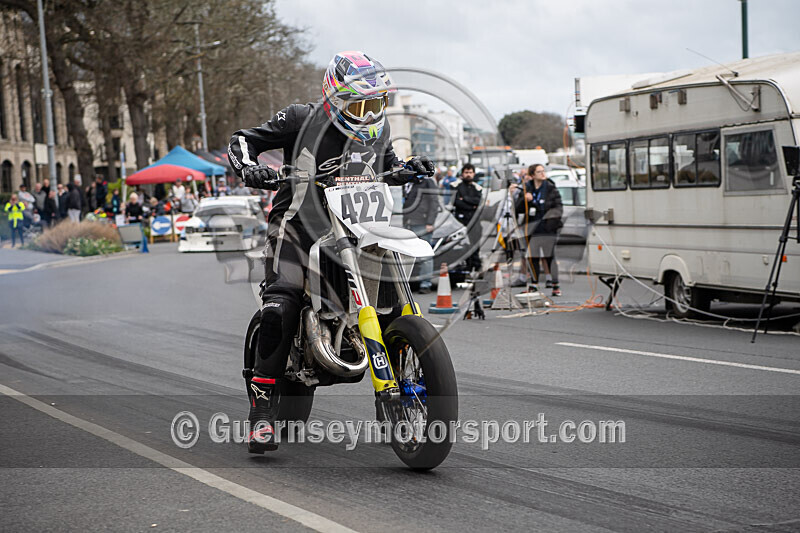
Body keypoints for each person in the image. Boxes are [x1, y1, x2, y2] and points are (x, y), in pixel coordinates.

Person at [227, 50, 434, 453]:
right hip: (298, 225)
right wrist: (249, 168)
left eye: (377, 102)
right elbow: (243, 140)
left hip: (358, 228)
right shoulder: (301, 119)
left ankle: (394, 403)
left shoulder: (381, 128)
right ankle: (263, 410)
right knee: (282, 301)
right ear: (335, 98)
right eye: (361, 103)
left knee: (389, 300)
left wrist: (406, 169)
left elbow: (385, 166)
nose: (370, 111)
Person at [510, 164, 563, 296]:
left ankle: (555, 285)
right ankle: (534, 284)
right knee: (532, 257)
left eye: (543, 171)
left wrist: (537, 204)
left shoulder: (551, 188)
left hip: (548, 228)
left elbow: (557, 207)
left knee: (549, 256)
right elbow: (518, 208)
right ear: (532, 175)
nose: (542, 174)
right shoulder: (527, 188)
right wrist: (525, 200)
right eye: (539, 172)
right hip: (532, 227)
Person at [403, 174, 438, 293]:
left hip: (422, 223)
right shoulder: (408, 183)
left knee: (425, 256)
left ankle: (425, 284)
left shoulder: (427, 182)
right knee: (407, 255)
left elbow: (434, 202)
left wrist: (430, 222)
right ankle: (407, 284)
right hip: (410, 223)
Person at [453, 163, 483, 272]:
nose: (468, 175)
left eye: (470, 172)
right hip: (460, 220)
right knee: (463, 244)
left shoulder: (478, 188)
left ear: (474, 174)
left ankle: (476, 265)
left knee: (475, 243)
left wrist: (464, 199)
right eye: (466, 172)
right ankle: (466, 266)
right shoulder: (456, 186)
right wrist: (470, 203)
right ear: (462, 173)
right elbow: (456, 202)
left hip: (474, 219)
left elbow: (478, 202)